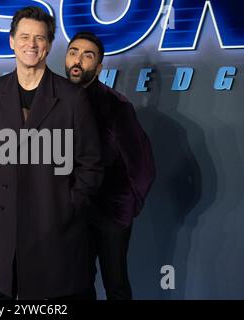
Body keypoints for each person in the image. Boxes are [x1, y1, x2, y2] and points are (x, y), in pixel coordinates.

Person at [0, 7, 104, 300]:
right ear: (12, 41)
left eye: (39, 38)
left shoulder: (72, 97)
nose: (32, 44)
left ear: (49, 45)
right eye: (25, 36)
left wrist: (67, 207)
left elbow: (91, 165)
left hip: (54, 235)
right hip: (2, 234)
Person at [65, 32, 156, 300]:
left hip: (108, 213)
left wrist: (122, 211)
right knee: (75, 286)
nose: (78, 60)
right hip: (69, 213)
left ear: (99, 67)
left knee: (115, 285)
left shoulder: (116, 106)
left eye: (87, 55)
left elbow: (141, 166)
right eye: (73, 52)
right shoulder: (52, 101)